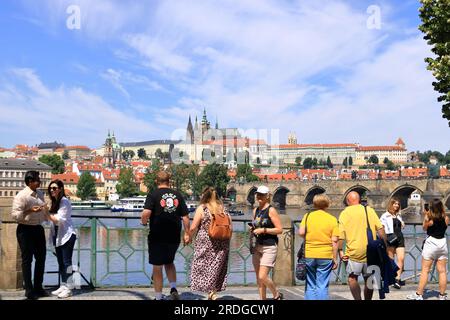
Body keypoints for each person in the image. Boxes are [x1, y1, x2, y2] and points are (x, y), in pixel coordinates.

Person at [141, 171, 190, 300]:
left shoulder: (153, 194)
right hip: (174, 235)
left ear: (157, 182)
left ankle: (158, 297)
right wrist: (187, 234)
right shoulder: (178, 195)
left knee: (157, 266)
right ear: (169, 181)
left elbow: (146, 213)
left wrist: (143, 222)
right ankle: (173, 288)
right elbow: (185, 217)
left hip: (158, 235)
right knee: (169, 262)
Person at [338, 191, 386, 300]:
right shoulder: (369, 210)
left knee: (352, 278)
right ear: (359, 200)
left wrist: (340, 251)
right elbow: (381, 230)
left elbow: (340, 235)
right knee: (369, 279)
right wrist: (385, 246)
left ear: (347, 201)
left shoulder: (345, 213)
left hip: (354, 252)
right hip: (371, 251)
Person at [11, 170, 49, 300]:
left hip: (38, 229)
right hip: (25, 230)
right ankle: (29, 290)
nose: (40, 181)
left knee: (41, 258)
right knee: (27, 261)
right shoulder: (21, 196)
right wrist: (29, 211)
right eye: (38, 179)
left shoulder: (39, 193)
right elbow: (15, 215)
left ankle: (38, 287)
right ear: (30, 182)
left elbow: (43, 212)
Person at [190, 187, 231, 300]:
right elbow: (230, 223)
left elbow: (194, 226)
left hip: (206, 241)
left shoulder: (202, 208)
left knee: (200, 265)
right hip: (222, 241)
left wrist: (188, 235)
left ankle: (208, 290)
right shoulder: (223, 208)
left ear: (204, 195)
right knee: (216, 267)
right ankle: (212, 292)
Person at [407, 199, 449, 300]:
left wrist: (426, 218)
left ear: (431, 208)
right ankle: (442, 295)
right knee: (442, 271)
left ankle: (419, 294)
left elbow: (424, 228)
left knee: (425, 270)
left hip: (431, 243)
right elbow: (444, 227)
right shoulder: (446, 218)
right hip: (442, 243)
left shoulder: (430, 219)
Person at [299, 194, 338, 300]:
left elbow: (301, 232)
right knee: (322, 285)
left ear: (314, 204)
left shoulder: (307, 216)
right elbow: (334, 240)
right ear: (328, 205)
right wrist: (335, 258)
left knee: (311, 284)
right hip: (325, 255)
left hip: (309, 253)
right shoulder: (332, 219)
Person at [44, 180, 77, 299]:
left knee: (67, 262)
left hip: (67, 235)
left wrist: (46, 213)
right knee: (61, 263)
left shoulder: (64, 201)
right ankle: (64, 285)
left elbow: (59, 219)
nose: (52, 190)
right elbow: (50, 219)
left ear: (60, 189)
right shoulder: (54, 202)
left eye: (55, 188)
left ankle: (69, 288)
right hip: (57, 235)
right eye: (51, 188)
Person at [250, 185, 283, 300]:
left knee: (262, 276)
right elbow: (255, 225)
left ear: (267, 196)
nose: (259, 196)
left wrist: (264, 230)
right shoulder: (255, 210)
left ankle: (276, 294)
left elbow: (279, 229)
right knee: (258, 278)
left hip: (269, 246)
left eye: (262, 194)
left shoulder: (271, 210)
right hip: (257, 246)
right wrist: (253, 229)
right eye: (258, 194)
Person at [380, 197, 405, 289]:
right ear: (391, 204)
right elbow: (381, 228)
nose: (397, 206)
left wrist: (402, 223)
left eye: (398, 204)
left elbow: (400, 225)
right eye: (395, 204)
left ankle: (397, 279)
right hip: (390, 238)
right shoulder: (385, 215)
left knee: (401, 258)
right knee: (391, 260)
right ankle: (391, 278)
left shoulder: (398, 215)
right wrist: (384, 240)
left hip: (400, 238)